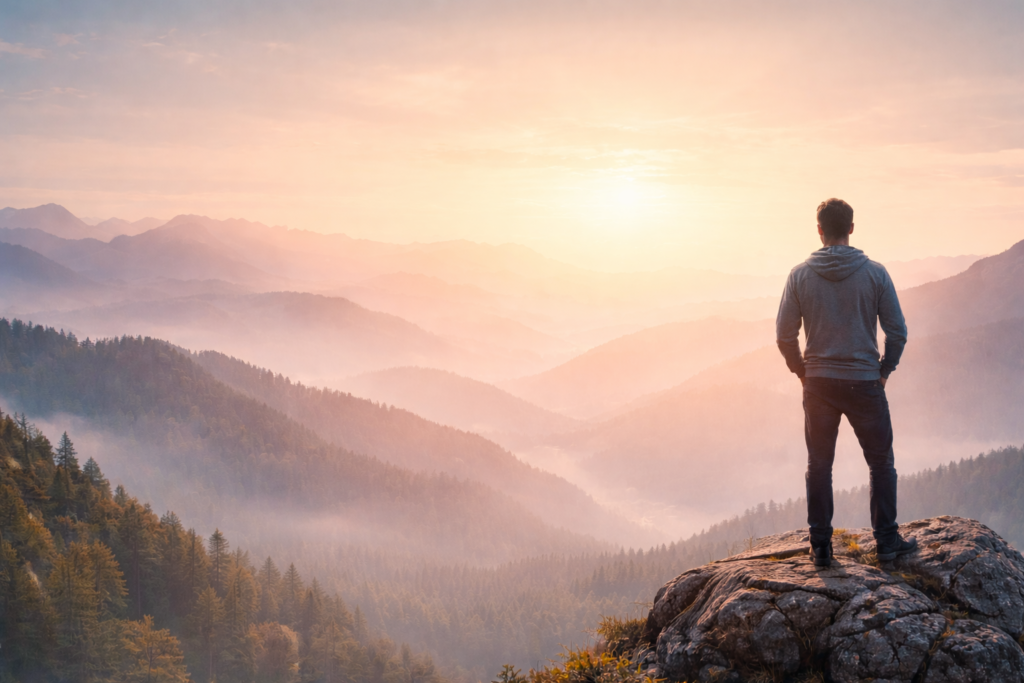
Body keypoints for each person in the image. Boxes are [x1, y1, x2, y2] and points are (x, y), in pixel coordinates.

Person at [776, 198, 917, 568]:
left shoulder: (799, 276)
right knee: (881, 464)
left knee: (819, 464)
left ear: (819, 230)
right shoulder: (875, 274)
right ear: (852, 228)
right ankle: (886, 544)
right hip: (864, 383)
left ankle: (820, 546)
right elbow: (898, 332)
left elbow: (784, 336)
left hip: (819, 383)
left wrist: (803, 371)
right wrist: (885, 369)